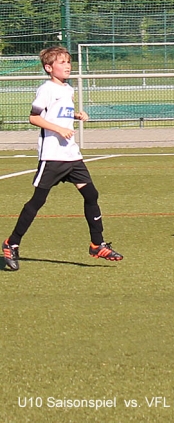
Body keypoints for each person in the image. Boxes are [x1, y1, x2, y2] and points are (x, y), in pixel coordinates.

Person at [2, 46, 123, 271]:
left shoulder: (67, 89)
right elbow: (34, 117)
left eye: (68, 61)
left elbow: (57, 113)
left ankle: (97, 244)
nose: (67, 66)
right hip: (53, 156)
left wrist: (76, 115)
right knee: (38, 201)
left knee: (91, 194)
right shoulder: (46, 89)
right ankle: (12, 243)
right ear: (49, 68)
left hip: (71, 155)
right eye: (62, 62)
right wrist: (59, 129)